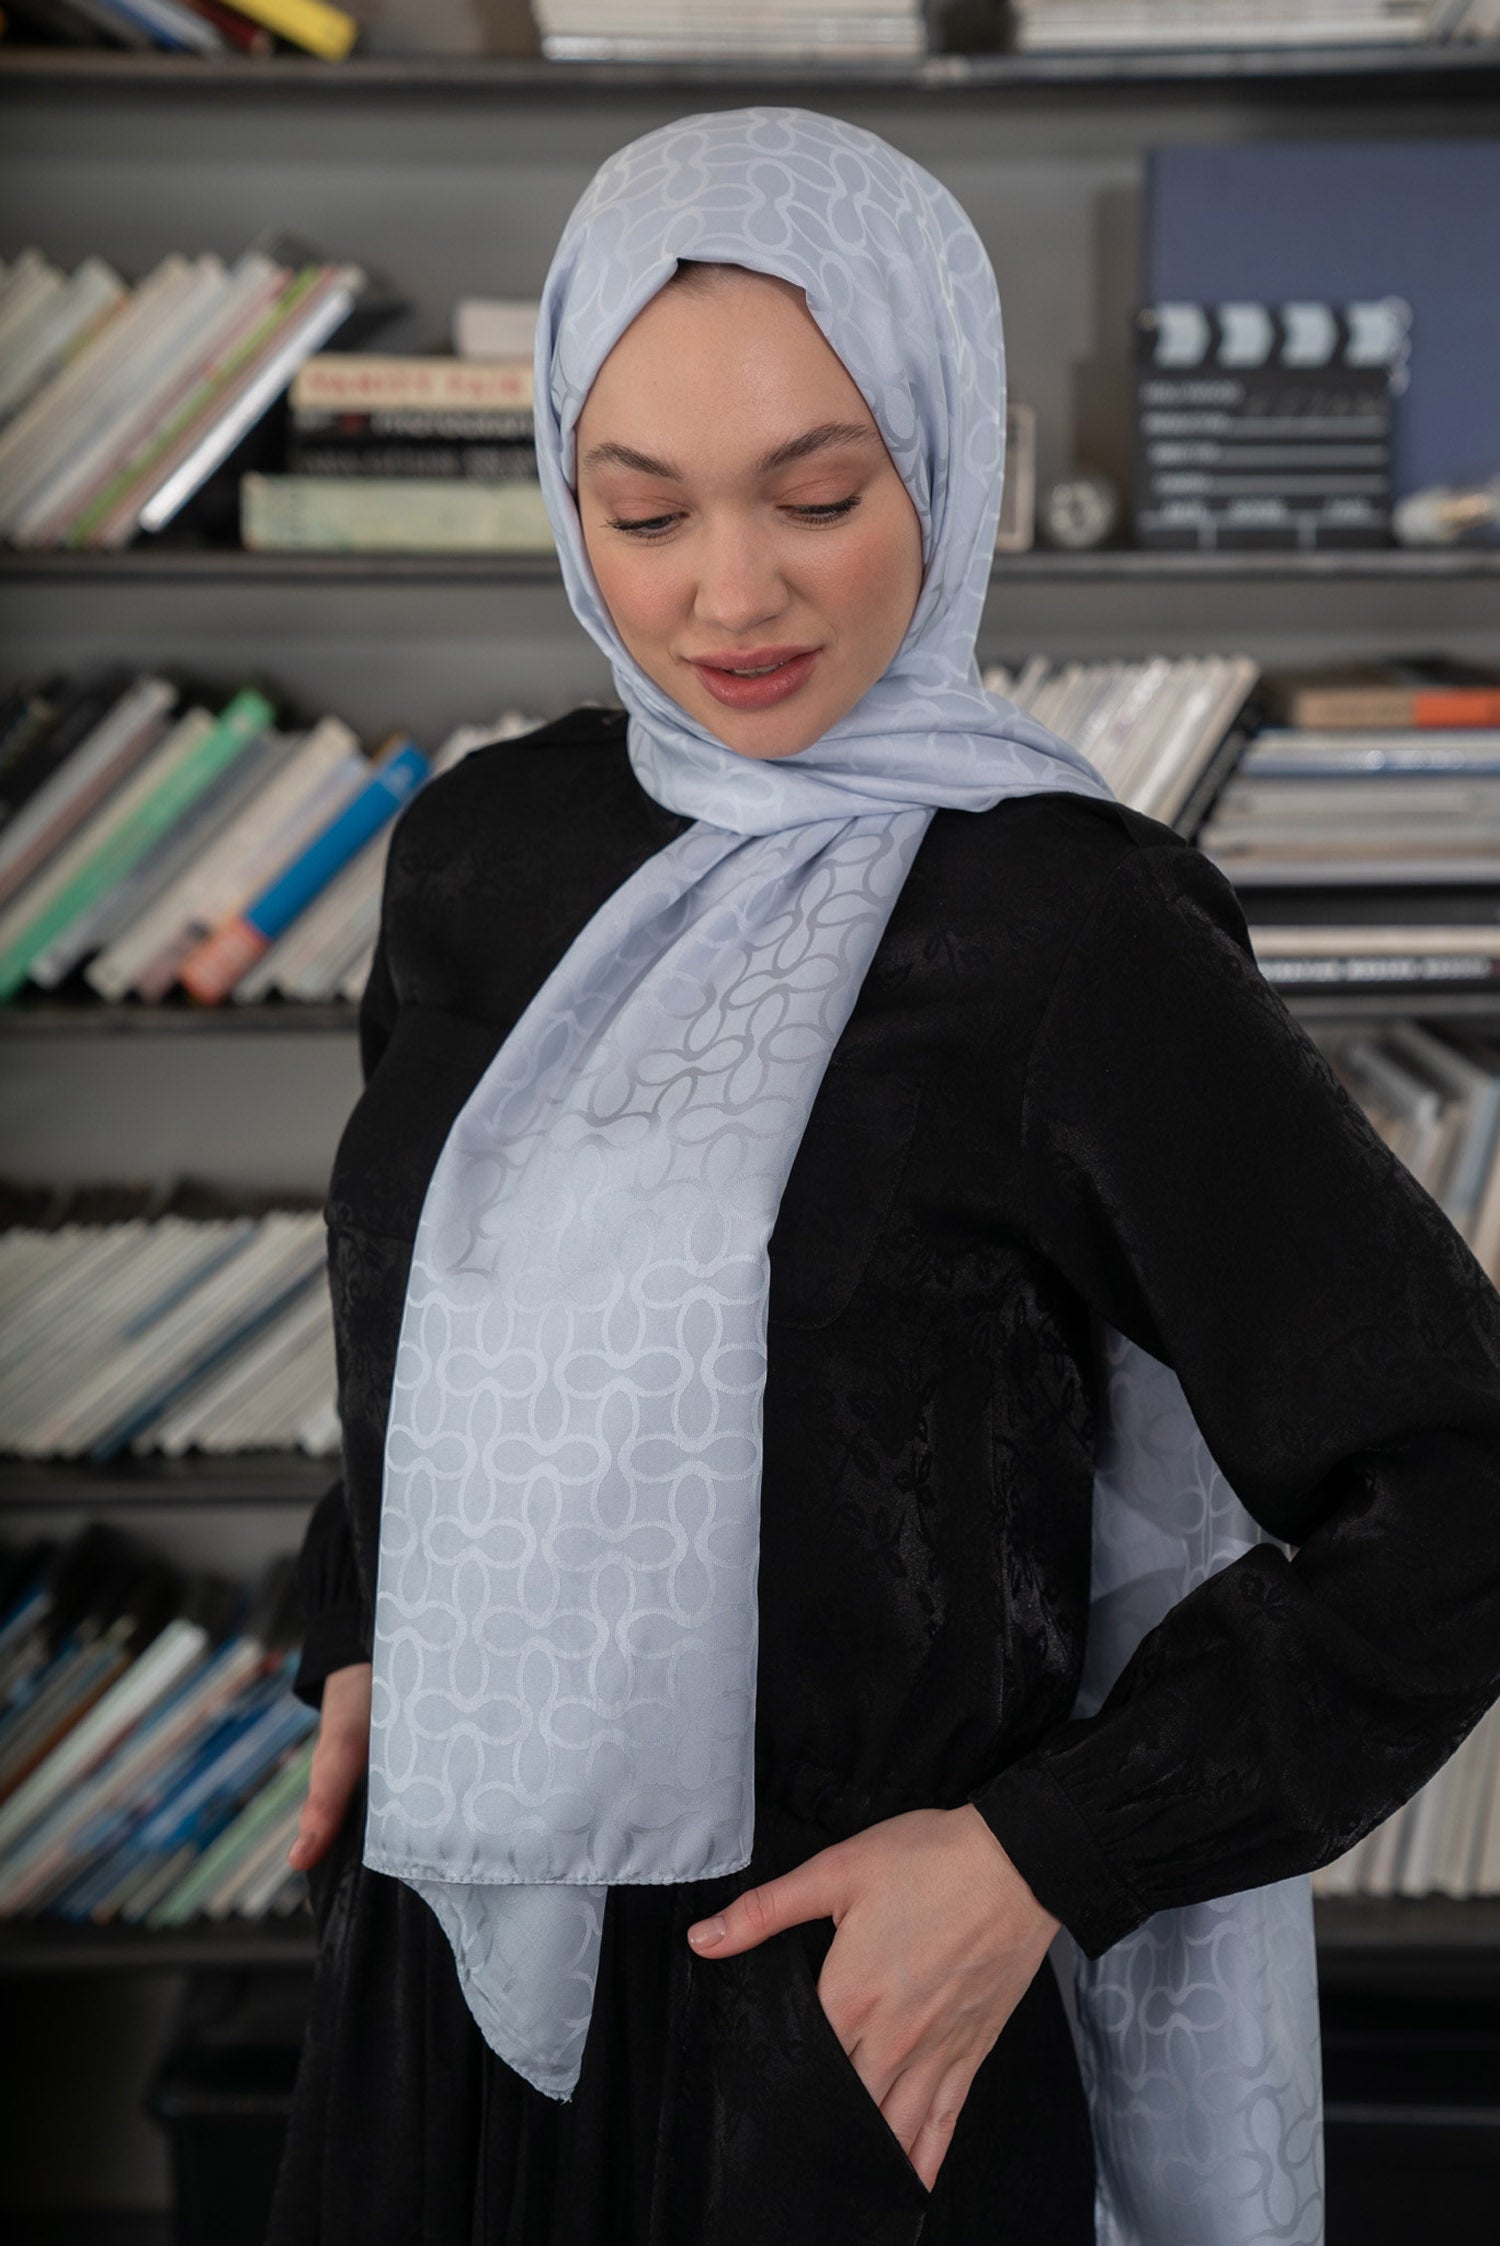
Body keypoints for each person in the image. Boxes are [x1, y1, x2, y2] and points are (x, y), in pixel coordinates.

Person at [267, 108, 1500, 2246]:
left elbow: (1459, 1486)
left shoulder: (1072, 932)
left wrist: (1041, 1858)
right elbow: (445, 1292)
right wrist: (373, 1619)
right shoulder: (480, 855)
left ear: (944, 450)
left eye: (820, 496)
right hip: (445, 1976)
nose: (730, 593)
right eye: (643, 511)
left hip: (839, 2038)